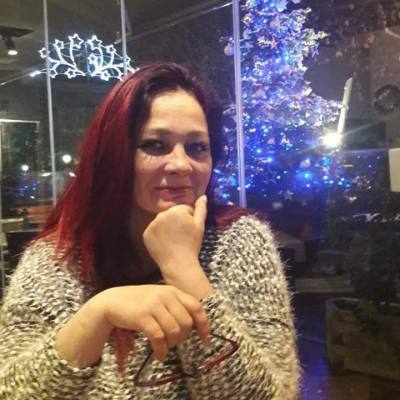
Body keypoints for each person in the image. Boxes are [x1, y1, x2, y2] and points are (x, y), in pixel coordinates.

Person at [0, 62, 299, 399]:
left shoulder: (239, 241)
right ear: (114, 155)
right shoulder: (58, 257)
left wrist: (183, 268)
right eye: (155, 145)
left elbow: (274, 394)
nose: (181, 165)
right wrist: (98, 314)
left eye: (197, 147)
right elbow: (11, 390)